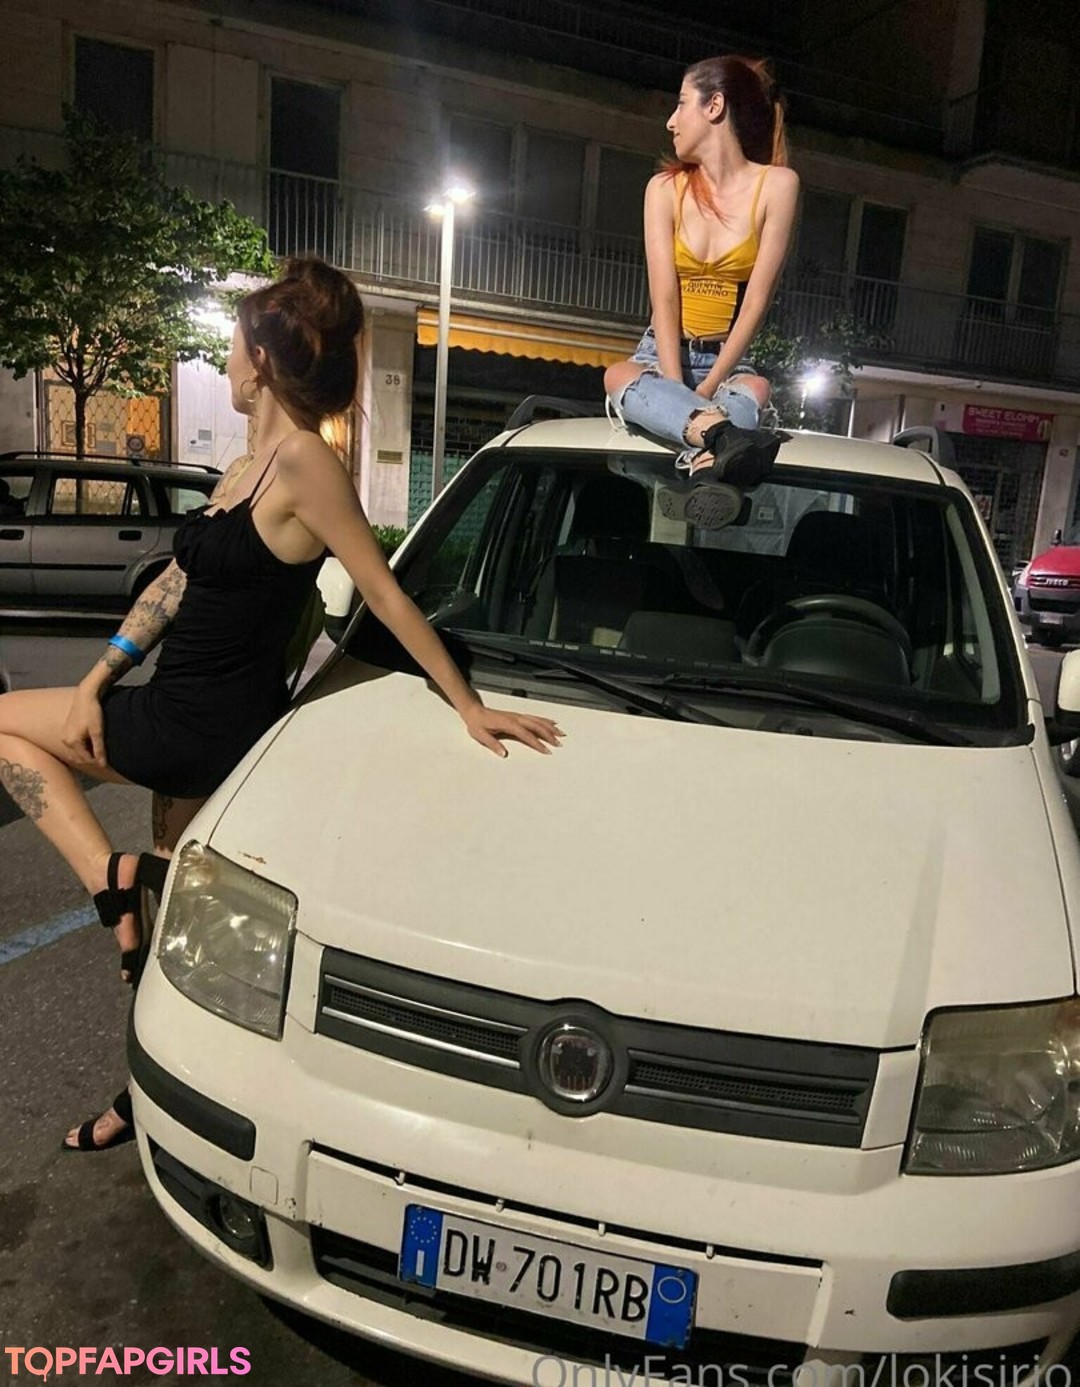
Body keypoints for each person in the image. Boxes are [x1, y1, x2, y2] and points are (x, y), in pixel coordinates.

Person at [0, 256, 563, 1151]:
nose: (226, 360)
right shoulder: (244, 467)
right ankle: (140, 1090)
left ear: (260, 360)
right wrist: (97, 677)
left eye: (233, 345)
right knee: (175, 941)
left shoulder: (305, 462)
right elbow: (176, 585)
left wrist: (466, 703)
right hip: (179, 701)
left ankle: (109, 879)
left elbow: (383, 591)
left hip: (202, 722)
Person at [604, 55, 800, 529]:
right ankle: (721, 449)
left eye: (680, 104)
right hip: (661, 352)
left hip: (728, 360)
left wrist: (706, 390)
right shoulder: (663, 189)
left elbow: (756, 303)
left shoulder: (777, 185)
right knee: (617, 374)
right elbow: (664, 298)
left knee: (756, 386)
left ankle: (705, 461)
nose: (670, 122)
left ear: (714, 106)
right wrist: (677, 385)